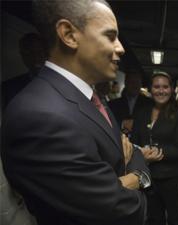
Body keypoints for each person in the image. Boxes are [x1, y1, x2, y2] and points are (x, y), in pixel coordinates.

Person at [1, 1, 150, 225]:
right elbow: (124, 210)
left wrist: (120, 177)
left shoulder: (88, 95)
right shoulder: (40, 116)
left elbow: (125, 147)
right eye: (110, 36)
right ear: (69, 35)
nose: (120, 48)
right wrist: (138, 177)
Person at [132, 72, 178, 225]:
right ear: (150, 89)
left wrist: (152, 152)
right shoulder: (141, 112)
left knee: (174, 217)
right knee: (153, 218)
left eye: (165, 86)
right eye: (156, 86)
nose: (161, 90)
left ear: (171, 89)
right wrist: (140, 153)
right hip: (147, 176)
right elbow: (134, 141)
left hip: (171, 177)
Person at [2, 32, 46, 111]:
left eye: (39, 52)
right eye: (29, 53)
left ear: (46, 54)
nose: (35, 57)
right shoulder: (8, 88)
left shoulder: (63, 84)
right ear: (22, 55)